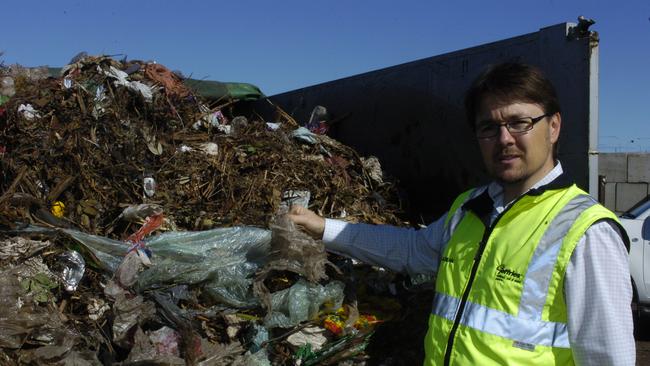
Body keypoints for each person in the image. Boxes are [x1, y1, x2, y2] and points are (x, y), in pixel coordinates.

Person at [288, 63, 635, 366]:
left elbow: (608, 357)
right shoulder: (471, 207)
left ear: (554, 126)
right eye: (489, 127)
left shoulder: (586, 232)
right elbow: (411, 250)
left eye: (519, 123)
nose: (504, 139)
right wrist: (323, 227)